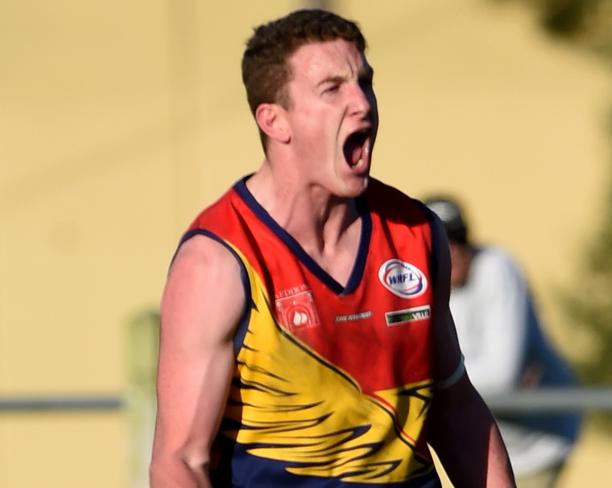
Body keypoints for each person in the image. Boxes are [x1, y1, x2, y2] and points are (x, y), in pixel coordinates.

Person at [150, 9, 515, 487]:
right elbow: (181, 461)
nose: (361, 102)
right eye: (333, 89)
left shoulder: (416, 234)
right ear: (274, 120)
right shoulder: (219, 261)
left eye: (364, 82)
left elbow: (454, 405)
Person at [425, 196, 582, 487]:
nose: (454, 250)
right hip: (472, 451)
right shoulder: (415, 284)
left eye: (459, 238)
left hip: (534, 447)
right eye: (441, 243)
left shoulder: (497, 268)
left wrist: (431, 379)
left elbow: (501, 376)